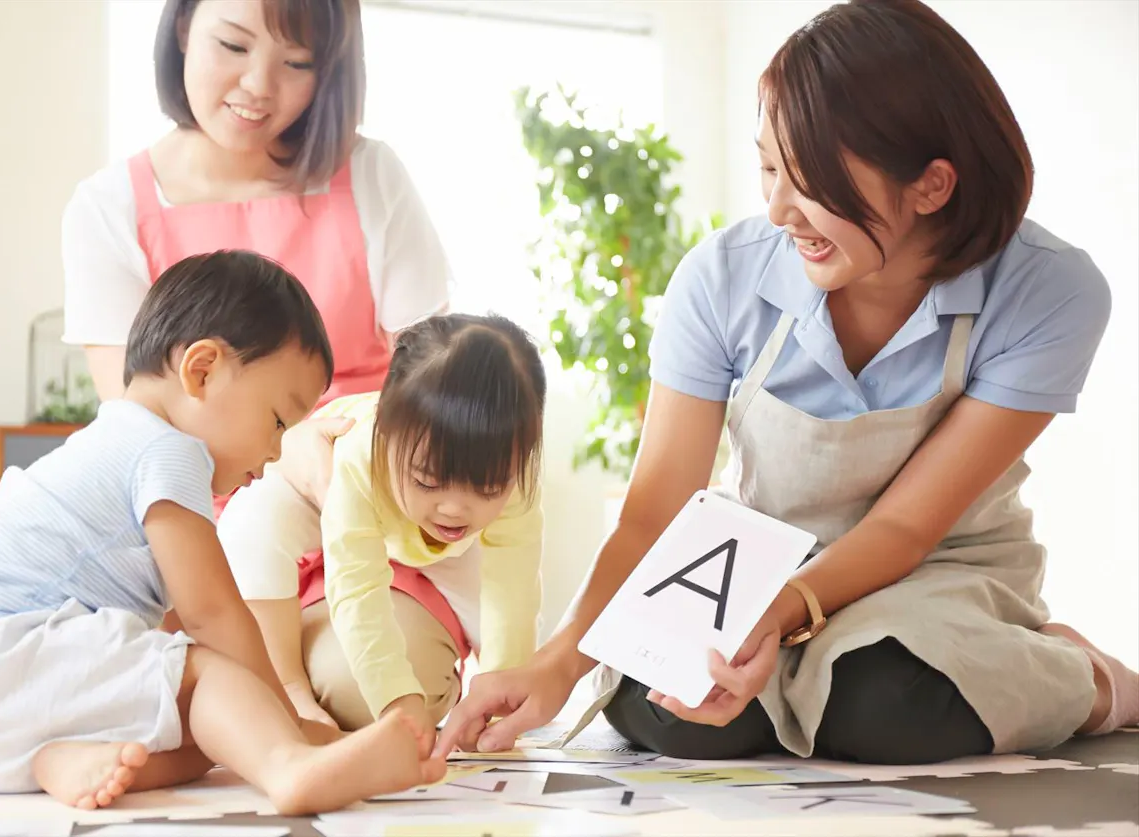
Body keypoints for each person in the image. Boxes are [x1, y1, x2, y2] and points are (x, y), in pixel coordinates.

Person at [433, 0, 1139, 764]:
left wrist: (785, 612)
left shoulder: (1049, 290)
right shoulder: (722, 277)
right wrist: (558, 663)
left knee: (881, 702)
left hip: (940, 570)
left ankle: (1091, 678)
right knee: (659, 704)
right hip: (757, 561)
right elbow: (653, 514)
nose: (777, 212)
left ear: (932, 185)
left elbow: (905, 528)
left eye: (811, 183)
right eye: (770, 168)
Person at [0, 252, 445, 812]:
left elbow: (173, 625)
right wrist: (291, 726)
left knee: (212, 732)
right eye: (278, 421)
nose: (277, 452)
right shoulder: (167, 450)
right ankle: (289, 768)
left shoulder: (118, 441)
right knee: (210, 681)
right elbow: (214, 616)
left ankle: (58, 758)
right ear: (201, 371)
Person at [60, 0, 452, 504]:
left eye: (297, 62)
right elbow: (137, 427)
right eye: (233, 45)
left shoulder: (371, 176)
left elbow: (432, 378)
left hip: (363, 485)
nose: (260, 86)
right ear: (184, 27)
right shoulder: (109, 209)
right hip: (198, 508)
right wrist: (287, 454)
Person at [220, 313, 547, 744]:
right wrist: (396, 700)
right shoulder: (357, 460)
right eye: (428, 481)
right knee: (251, 522)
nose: (453, 509)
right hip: (327, 503)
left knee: (512, 642)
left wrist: (497, 694)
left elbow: (513, 593)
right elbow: (357, 588)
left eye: (488, 489)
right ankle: (290, 686)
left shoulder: (514, 476)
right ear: (386, 436)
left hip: (453, 551)